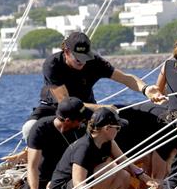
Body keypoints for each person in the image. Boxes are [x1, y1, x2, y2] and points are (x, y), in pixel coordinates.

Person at [22, 31, 166, 139]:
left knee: (123, 124)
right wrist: (101, 108)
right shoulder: (52, 65)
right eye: (78, 59)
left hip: (87, 108)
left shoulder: (94, 61)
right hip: (54, 108)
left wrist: (146, 89)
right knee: (29, 128)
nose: (82, 62)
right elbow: (66, 103)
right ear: (66, 52)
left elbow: (125, 78)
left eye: (85, 58)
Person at [45, 108, 155, 189]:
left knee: (124, 176)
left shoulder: (109, 143)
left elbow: (125, 162)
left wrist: (146, 179)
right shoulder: (83, 147)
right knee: (109, 168)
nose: (118, 131)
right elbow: (78, 185)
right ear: (107, 128)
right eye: (117, 128)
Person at [21, 97, 89, 189]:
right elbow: (32, 166)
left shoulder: (81, 130)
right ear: (67, 121)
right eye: (80, 120)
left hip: (65, 178)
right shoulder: (40, 128)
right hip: (43, 177)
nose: (82, 123)